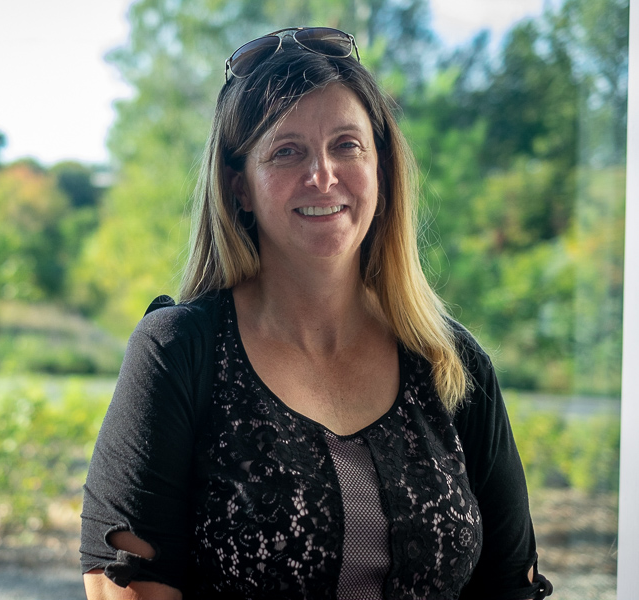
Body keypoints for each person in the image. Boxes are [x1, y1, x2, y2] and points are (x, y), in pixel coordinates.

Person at [80, 27, 553, 600]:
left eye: (347, 145)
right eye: (287, 151)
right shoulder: (178, 351)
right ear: (239, 187)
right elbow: (126, 586)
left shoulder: (453, 362)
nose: (323, 175)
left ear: (382, 168)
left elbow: (512, 584)